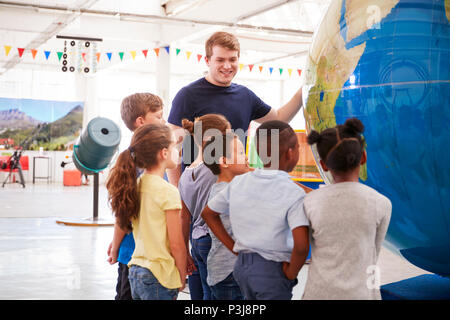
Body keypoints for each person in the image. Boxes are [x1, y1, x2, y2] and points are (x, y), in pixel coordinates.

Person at [167, 31, 304, 187]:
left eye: (232, 59)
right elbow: (173, 146)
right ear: (207, 60)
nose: (227, 66)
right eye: (220, 60)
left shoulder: (245, 95)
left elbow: (279, 118)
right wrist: (178, 191)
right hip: (199, 189)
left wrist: (302, 93)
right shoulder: (188, 95)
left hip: (235, 188)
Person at [202, 120, 310, 300]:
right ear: (291, 153)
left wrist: (235, 248)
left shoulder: (238, 183)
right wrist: (291, 273)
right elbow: (301, 245)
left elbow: (208, 213)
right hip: (272, 270)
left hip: (242, 268)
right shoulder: (293, 192)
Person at [302, 118, 391, 300]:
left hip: (318, 294)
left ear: (324, 164)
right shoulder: (381, 203)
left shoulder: (309, 203)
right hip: (362, 295)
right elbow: (373, 252)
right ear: (363, 158)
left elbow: (304, 247)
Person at [106, 123, 188, 300]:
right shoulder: (168, 192)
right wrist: (182, 276)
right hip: (160, 275)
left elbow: (122, 220)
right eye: (175, 146)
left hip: (135, 270)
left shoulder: (134, 185)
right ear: (163, 153)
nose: (178, 152)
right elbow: (177, 244)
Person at [106, 93, 166, 300]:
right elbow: (123, 215)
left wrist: (116, 243)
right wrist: (116, 245)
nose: (164, 121)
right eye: (159, 116)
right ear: (141, 121)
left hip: (146, 255)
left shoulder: (141, 159)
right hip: (135, 255)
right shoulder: (140, 164)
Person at [178, 114, 231, 300]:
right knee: (213, 295)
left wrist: (185, 251)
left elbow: (184, 217)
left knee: (198, 294)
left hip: (196, 242)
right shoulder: (216, 170)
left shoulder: (185, 174)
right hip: (215, 241)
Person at [202, 132, 250, 300]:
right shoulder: (227, 192)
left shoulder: (227, 189)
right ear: (224, 161)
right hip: (230, 273)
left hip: (224, 272)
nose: (246, 157)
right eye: (242, 152)